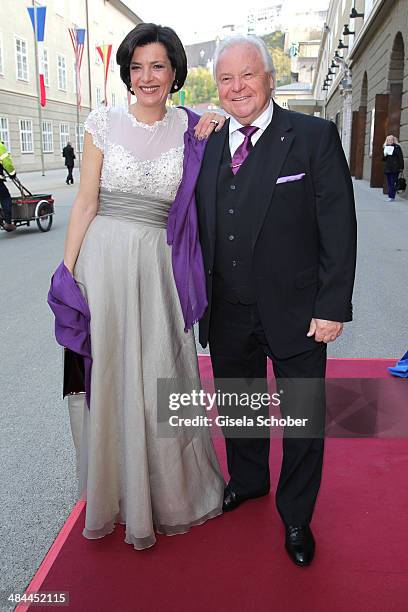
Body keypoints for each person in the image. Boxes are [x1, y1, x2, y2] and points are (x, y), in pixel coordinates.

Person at [49, 23, 227, 550]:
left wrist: (216, 120)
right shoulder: (102, 121)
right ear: (127, 72)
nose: (147, 77)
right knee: (109, 375)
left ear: (175, 72)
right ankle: (114, 494)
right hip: (101, 261)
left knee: (160, 370)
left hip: (158, 263)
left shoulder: (195, 127)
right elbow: (85, 201)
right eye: (137, 66)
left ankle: (171, 493)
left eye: (158, 66)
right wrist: (67, 272)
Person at [196, 35, 357, 566]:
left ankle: (296, 517)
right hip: (228, 311)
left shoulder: (312, 136)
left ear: (269, 78)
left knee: (304, 421)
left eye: (247, 75)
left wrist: (332, 305)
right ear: (216, 88)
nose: (236, 86)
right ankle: (249, 481)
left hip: (300, 312)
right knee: (242, 410)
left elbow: (339, 227)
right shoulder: (207, 144)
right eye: (225, 79)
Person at [0, 140, 17, 231]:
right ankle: (8, 223)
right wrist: (12, 174)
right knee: (5, 198)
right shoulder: (0, 146)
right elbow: (7, 162)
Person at [382, 134, 404, 201]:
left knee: (392, 182)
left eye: (391, 139)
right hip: (388, 168)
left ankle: (391, 197)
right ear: (387, 141)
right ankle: (391, 196)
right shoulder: (386, 147)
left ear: (394, 140)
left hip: (395, 168)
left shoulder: (397, 147)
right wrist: (385, 155)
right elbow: (383, 159)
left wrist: (401, 167)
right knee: (389, 183)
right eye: (388, 140)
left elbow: (400, 158)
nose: (390, 141)